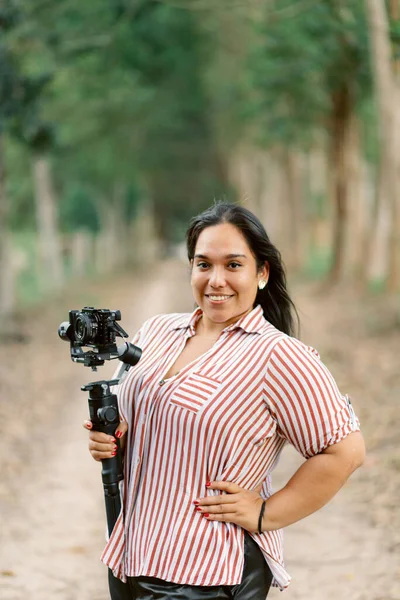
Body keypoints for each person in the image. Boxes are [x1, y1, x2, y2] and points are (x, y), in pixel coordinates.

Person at [84, 202, 365, 600]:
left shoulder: (280, 357)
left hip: (209, 570)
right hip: (132, 555)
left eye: (233, 265)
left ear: (262, 273)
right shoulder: (158, 331)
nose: (216, 280)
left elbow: (345, 451)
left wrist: (266, 513)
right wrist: (115, 442)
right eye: (203, 265)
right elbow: (148, 425)